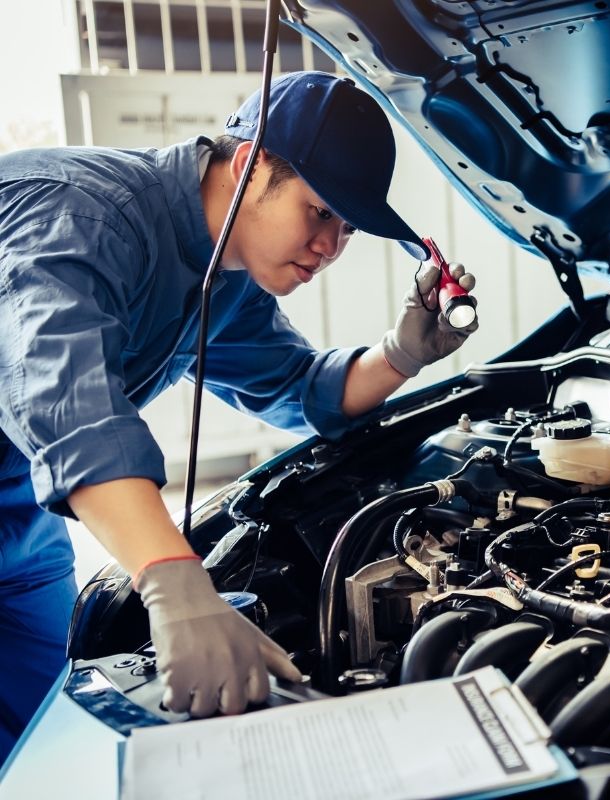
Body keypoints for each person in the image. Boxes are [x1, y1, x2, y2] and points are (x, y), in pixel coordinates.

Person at [0, 70, 478, 763]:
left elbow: (299, 387)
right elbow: (71, 409)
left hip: (20, 533)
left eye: (346, 228)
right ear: (251, 165)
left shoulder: (220, 275)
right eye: (319, 212)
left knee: (55, 747)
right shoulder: (82, 216)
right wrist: (175, 582)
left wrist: (402, 355)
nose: (330, 246)